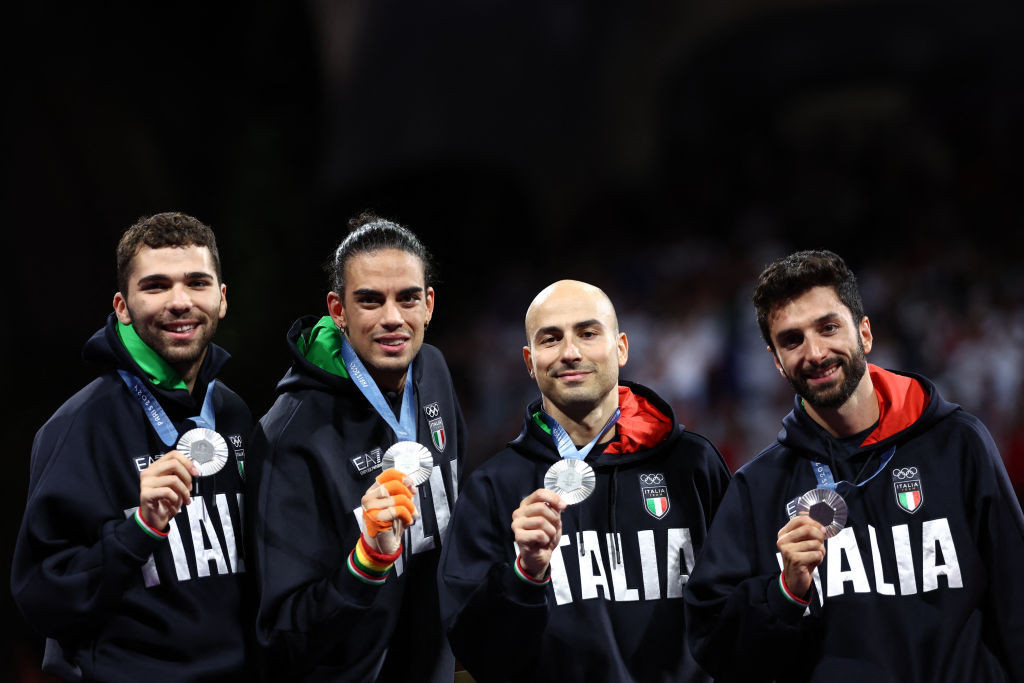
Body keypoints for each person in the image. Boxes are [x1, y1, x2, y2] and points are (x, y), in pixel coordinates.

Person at [684, 249, 1024, 682]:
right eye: (792, 340)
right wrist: (784, 591)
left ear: (864, 333)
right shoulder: (759, 488)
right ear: (776, 361)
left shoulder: (958, 444)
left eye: (828, 328)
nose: (815, 352)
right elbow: (716, 649)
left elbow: (1016, 603)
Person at [438, 279, 731, 682]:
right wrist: (525, 574)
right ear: (528, 360)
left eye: (588, 333)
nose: (570, 353)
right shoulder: (492, 488)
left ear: (622, 347)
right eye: (550, 339)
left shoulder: (692, 465)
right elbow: (477, 656)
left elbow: (736, 620)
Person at [11, 212, 254, 681]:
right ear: (122, 306)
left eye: (197, 283)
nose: (180, 302)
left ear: (221, 299)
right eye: (157, 286)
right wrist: (138, 529)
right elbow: (41, 597)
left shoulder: (234, 413)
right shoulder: (80, 426)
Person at [249, 213, 465, 681]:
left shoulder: (435, 372)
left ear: (428, 304)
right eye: (370, 300)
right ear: (338, 310)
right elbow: (281, 637)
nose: (392, 318)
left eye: (407, 298)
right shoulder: (289, 437)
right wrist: (366, 560)